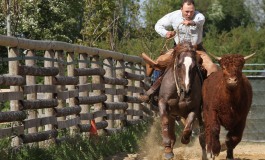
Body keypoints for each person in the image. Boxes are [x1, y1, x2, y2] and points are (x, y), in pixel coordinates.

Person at [139, 0, 218, 102]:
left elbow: (199, 22)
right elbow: (158, 25)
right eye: (186, 12)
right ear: (181, 9)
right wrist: (166, 33)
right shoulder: (173, 16)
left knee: (212, 68)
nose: (189, 14)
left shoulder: (199, 16)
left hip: (197, 50)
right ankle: (152, 90)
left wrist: (191, 22)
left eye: (191, 11)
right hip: (178, 50)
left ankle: (210, 98)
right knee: (158, 62)